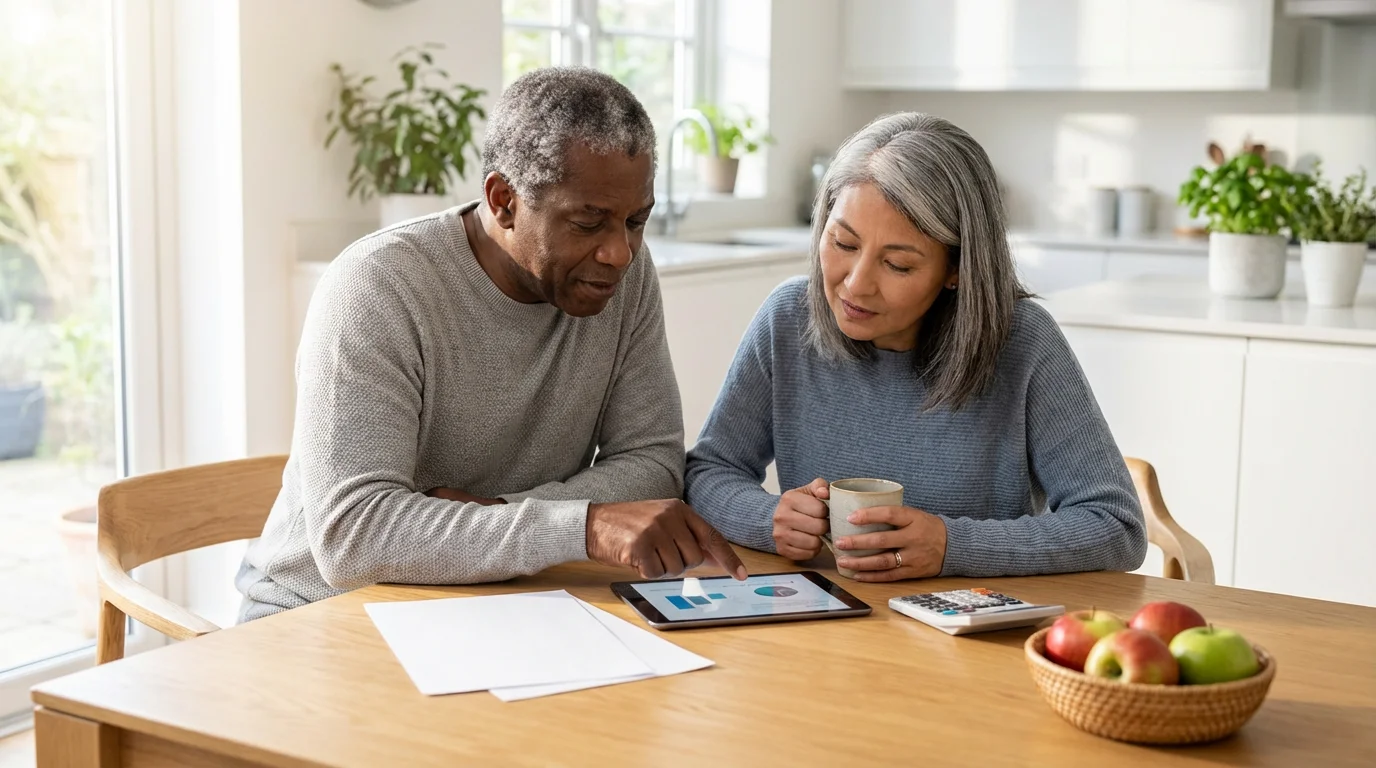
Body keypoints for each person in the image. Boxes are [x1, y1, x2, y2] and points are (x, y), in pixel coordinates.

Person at [236, 67, 745, 622]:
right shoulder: (378, 285)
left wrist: (505, 515)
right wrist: (586, 524)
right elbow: (355, 538)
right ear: (503, 200)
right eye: (588, 221)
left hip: (500, 604)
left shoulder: (624, 273)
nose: (619, 252)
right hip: (320, 616)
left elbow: (653, 462)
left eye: (636, 221)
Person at [684, 113, 1146, 582]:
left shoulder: (1024, 341)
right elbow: (709, 472)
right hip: (828, 623)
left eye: (898, 265)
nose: (856, 285)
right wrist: (770, 519)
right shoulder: (788, 319)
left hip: (971, 636)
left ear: (957, 269)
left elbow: (1115, 526)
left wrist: (953, 546)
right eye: (843, 242)